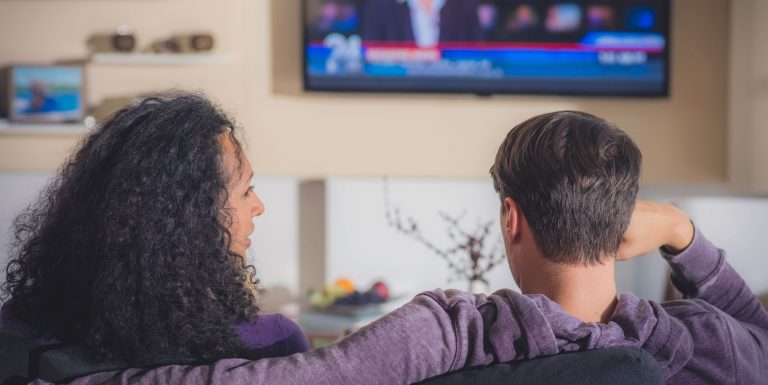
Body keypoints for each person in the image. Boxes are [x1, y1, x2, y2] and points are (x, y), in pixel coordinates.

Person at [11, 107, 768, 385]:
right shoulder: (704, 343)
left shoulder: (446, 332)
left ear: (511, 219)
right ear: (620, 219)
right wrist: (682, 234)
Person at [1, 94, 309, 372]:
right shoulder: (273, 345)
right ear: (192, 216)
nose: (259, 206)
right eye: (246, 191)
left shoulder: (14, 329)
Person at [362, 0, 481, 47]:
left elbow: (481, 59)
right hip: (398, 95)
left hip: (455, 95)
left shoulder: (464, 7)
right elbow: (370, 61)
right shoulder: (380, 7)